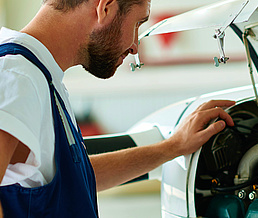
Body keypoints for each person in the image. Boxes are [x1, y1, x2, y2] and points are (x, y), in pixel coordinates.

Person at [0, 0, 235, 217]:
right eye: (137, 24)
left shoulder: (39, 76)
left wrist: (173, 147)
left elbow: (72, 180)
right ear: (105, 8)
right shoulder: (16, 76)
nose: (135, 46)